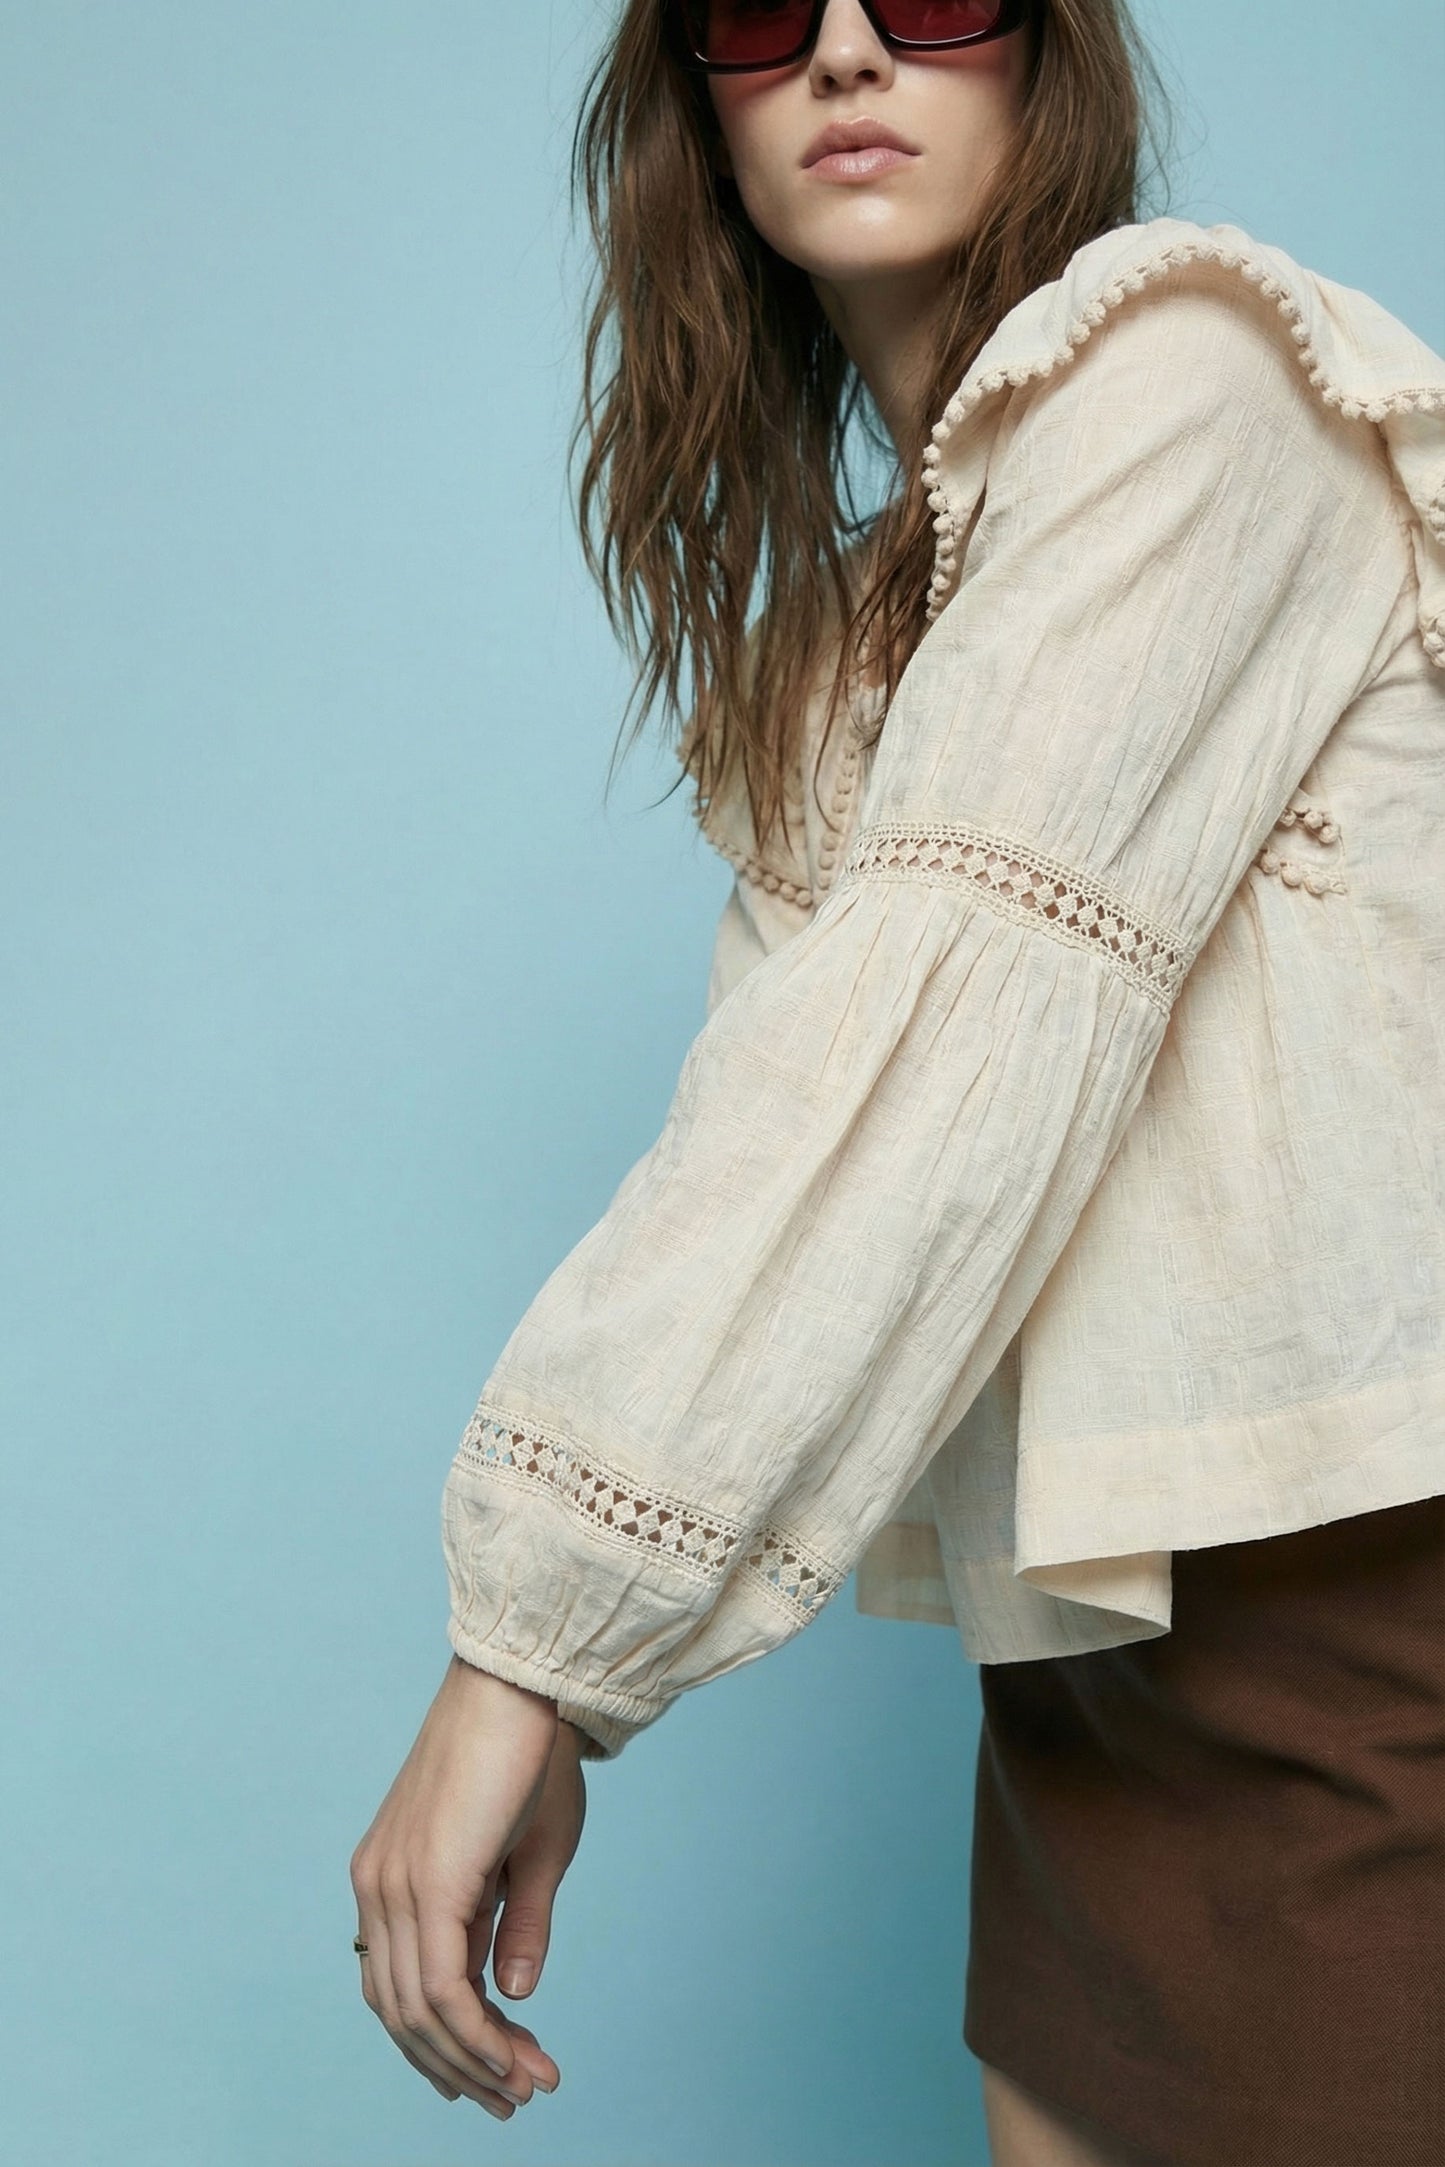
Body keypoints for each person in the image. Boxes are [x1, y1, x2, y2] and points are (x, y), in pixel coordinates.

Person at [348, 3, 1445, 2159]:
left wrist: (537, 1655)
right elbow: (770, 1135)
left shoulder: (1198, 383)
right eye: (767, 13)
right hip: (1090, 1689)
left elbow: (939, 1034)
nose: (850, 51)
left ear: (1053, 59)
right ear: (700, 108)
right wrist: (559, 1679)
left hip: (1377, 1639)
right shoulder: (868, 636)